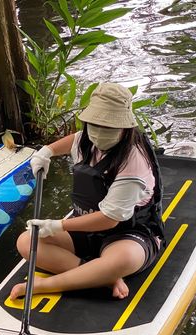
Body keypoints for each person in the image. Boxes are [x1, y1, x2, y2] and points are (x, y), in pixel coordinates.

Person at [11, 82, 165, 301]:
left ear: (124, 128)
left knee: (123, 260)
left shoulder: (134, 162)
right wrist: (47, 152)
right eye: (95, 124)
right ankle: (99, 274)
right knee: (26, 241)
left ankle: (47, 285)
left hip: (126, 233)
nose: (100, 132)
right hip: (85, 227)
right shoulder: (89, 139)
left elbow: (110, 219)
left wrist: (58, 225)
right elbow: (73, 140)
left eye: (109, 126)